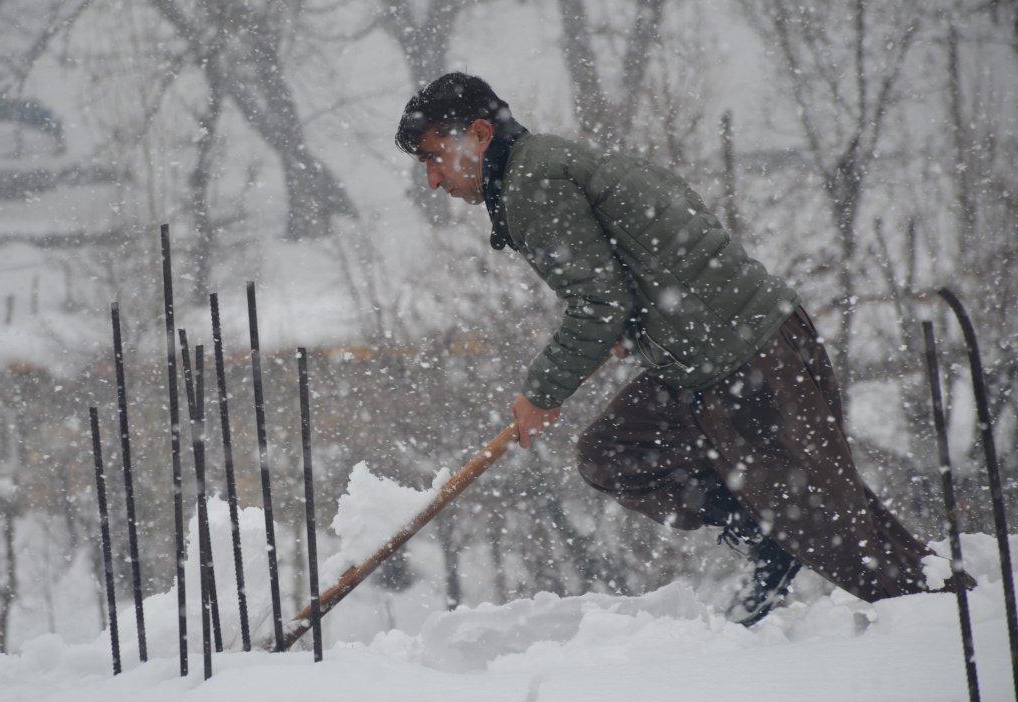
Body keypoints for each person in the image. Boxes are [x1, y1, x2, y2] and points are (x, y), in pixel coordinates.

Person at [394, 72, 971, 625]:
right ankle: (762, 532)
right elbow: (653, 243)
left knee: (844, 539)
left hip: (748, 362)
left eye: (434, 158)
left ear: (479, 134)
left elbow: (597, 302)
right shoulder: (553, 162)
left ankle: (958, 617)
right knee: (614, 451)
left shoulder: (533, 183)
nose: (434, 181)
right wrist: (639, 324)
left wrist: (542, 393)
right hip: (714, 358)